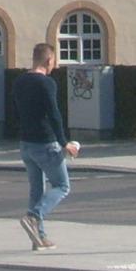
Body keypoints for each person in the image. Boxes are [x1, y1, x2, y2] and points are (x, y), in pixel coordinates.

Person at [16, 41, 80, 250]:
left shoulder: (20, 81)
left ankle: (39, 238)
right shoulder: (47, 83)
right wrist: (64, 143)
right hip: (46, 143)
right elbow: (54, 114)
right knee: (62, 186)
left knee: (36, 189)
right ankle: (34, 216)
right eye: (54, 61)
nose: (55, 66)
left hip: (26, 144)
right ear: (49, 60)